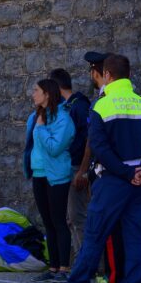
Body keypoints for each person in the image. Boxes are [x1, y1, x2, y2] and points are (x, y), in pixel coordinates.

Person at [50, 54, 141, 283]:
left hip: (112, 181)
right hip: (140, 183)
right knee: (134, 237)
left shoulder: (101, 106)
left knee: (94, 234)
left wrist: (125, 173)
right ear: (129, 75)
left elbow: (99, 148)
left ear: (108, 75)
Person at [80, 52, 125, 283]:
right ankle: (116, 281)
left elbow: (94, 142)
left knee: (107, 231)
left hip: (107, 172)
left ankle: (112, 282)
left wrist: (85, 171)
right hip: (122, 172)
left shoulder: (104, 101)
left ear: (99, 73)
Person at [23, 79, 75, 282]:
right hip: (39, 174)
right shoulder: (36, 116)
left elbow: (55, 148)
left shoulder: (63, 119)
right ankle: (53, 268)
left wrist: (41, 129)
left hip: (57, 176)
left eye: (36, 90)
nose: (32, 93)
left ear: (47, 94)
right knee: (48, 223)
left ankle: (64, 268)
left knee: (59, 222)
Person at [48, 68, 91, 261]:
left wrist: (82, 171)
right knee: (70, 218)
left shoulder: (78, 107)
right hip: (66, 169)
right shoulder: (67, 107)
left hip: (76, 168)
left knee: (77, 217)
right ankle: (80, 261)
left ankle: (86, 264)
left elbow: (89, 141)